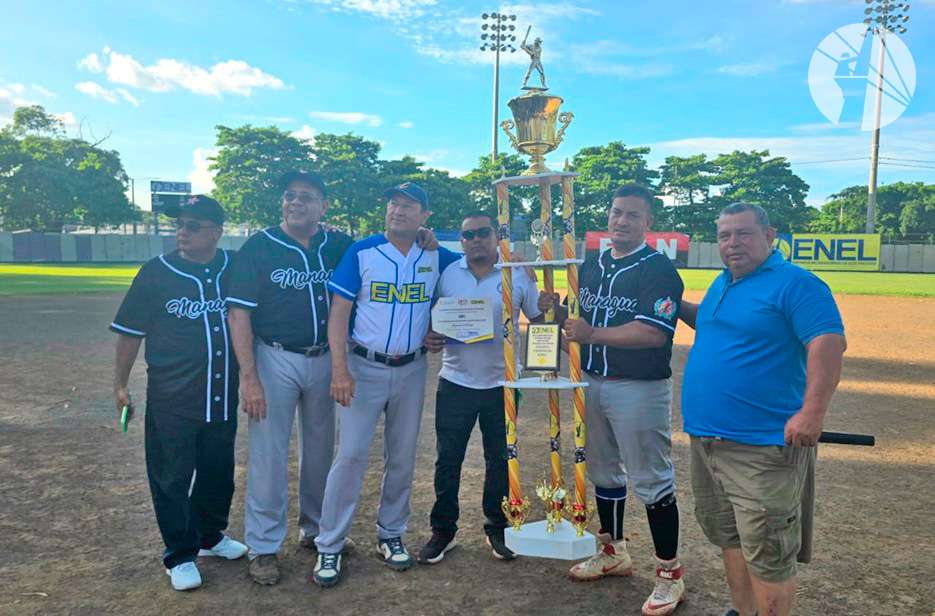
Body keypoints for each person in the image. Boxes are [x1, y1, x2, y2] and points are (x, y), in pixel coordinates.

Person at [679, 203, 846, 616]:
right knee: (731, 539)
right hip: (707, 442)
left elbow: (827, 342)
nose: (732, 243)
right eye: (724, 236)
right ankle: (743, 610)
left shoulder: (796, 284)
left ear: (769, 236)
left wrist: (812, 412)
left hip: (761, 449)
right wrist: (671, 305)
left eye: (743, 233)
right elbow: (716, 324)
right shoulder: (723, 283)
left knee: (768, 551)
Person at [540, 184, 685, 616]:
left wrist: (591, 334)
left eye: (632, 216)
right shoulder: (591, 265)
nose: (621, 221)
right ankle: (613, 551)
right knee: (603, 470)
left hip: (638, 387)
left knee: (651, 477)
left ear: (648, 223)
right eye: (616, 213)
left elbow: (653, 333)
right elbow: (576, 322)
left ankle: (668, 574)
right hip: (593, 380)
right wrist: (557, 311)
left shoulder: (659, 269)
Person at [312, 182, 460, 587]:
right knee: (352, 455)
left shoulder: (437, 255)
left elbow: (471, 272)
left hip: (412, 369)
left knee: (403, 456)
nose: (398, 210)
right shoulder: (362, 251)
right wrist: (340, 370)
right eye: (393, 203)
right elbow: (339, 312)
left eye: (409, 205)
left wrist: (436, 329)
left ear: (424, 216)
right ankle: (330, 543)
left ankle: (391, 533)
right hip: (364, 366)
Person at [110, 195, 247, 591]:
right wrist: (120, 384)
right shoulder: (156, 272)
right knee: (171, 477)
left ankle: (209, 536)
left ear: (217, 232)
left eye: (193, 226)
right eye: (180, 225)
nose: (182, 232)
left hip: (221, 393)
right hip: (173, 397)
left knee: (218, 472)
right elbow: (129, 333)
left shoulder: (234, 266)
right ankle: (179, 554)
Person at [226, 170, 355, 585]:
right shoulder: (260, 246)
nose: (295, 202)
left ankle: (315, 529)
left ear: (323, 206)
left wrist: (424, 236)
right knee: (268, 454)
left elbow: (377, 256)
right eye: (289, 196)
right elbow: (239, 313)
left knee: (320, 450)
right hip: (274, 356)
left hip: (326, 360)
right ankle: (263, 546)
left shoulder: (337, 244)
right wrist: (249, 377)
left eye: (306, 197)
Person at [418, 212, 544, 564]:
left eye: (482, 233)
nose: (475, 240)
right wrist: (432, 336)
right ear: (461, 241)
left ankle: (497, 527)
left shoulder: (517, 272)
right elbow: (432, 320)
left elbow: (537, 320)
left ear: (495, 235)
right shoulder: (448, 274)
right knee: (448, 460)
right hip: (455, 381)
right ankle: (443, 531)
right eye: (467, 235)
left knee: (500, 461)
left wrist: (548, 306)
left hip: (502, 384)